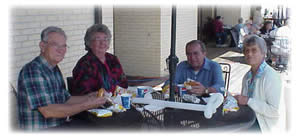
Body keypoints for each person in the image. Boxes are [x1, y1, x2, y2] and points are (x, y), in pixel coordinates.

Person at [17, 26, 107, 130]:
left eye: (64, 46)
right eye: (55, 45)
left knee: (98, 127)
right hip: (44, 130)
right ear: (42, 46)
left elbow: (65, 99)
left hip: (59, 125)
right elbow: (48, 111)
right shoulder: (32, 70)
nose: (61, 50)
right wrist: (88, 104)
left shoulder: (54, 69)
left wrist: (90, 97)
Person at [234, 35, 286, 133]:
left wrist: (248, 101)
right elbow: (244, 103)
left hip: (264, 127)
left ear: (263, 53)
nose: (249, 54)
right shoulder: (247, 77)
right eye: (246, 50)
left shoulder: (270, 76)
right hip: (248, 120)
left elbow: (274, 111)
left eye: (254, 50)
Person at [72, 24, 128, 96]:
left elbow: (123, 83)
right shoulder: (85, 64)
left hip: (118, 101)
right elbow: (82, 93)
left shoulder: (113, 59)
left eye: (105, 39)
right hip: (95, 104)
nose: (102, 43)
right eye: (97, 39)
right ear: (89, 43)